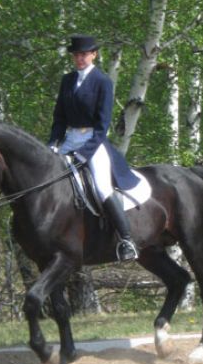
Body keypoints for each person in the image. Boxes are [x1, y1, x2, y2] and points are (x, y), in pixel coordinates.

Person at [48, 34, 139, 261]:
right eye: (76, 55)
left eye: (83, 54)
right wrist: (52, 143)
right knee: (51, 179)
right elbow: (59, 117)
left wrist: (84, 153)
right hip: (69, 139)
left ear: (93, 55)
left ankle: (126, 239)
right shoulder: (67, 80)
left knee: (101, 187)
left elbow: (103, 124)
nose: (79, 58)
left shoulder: (102, 81)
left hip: (94, 141)